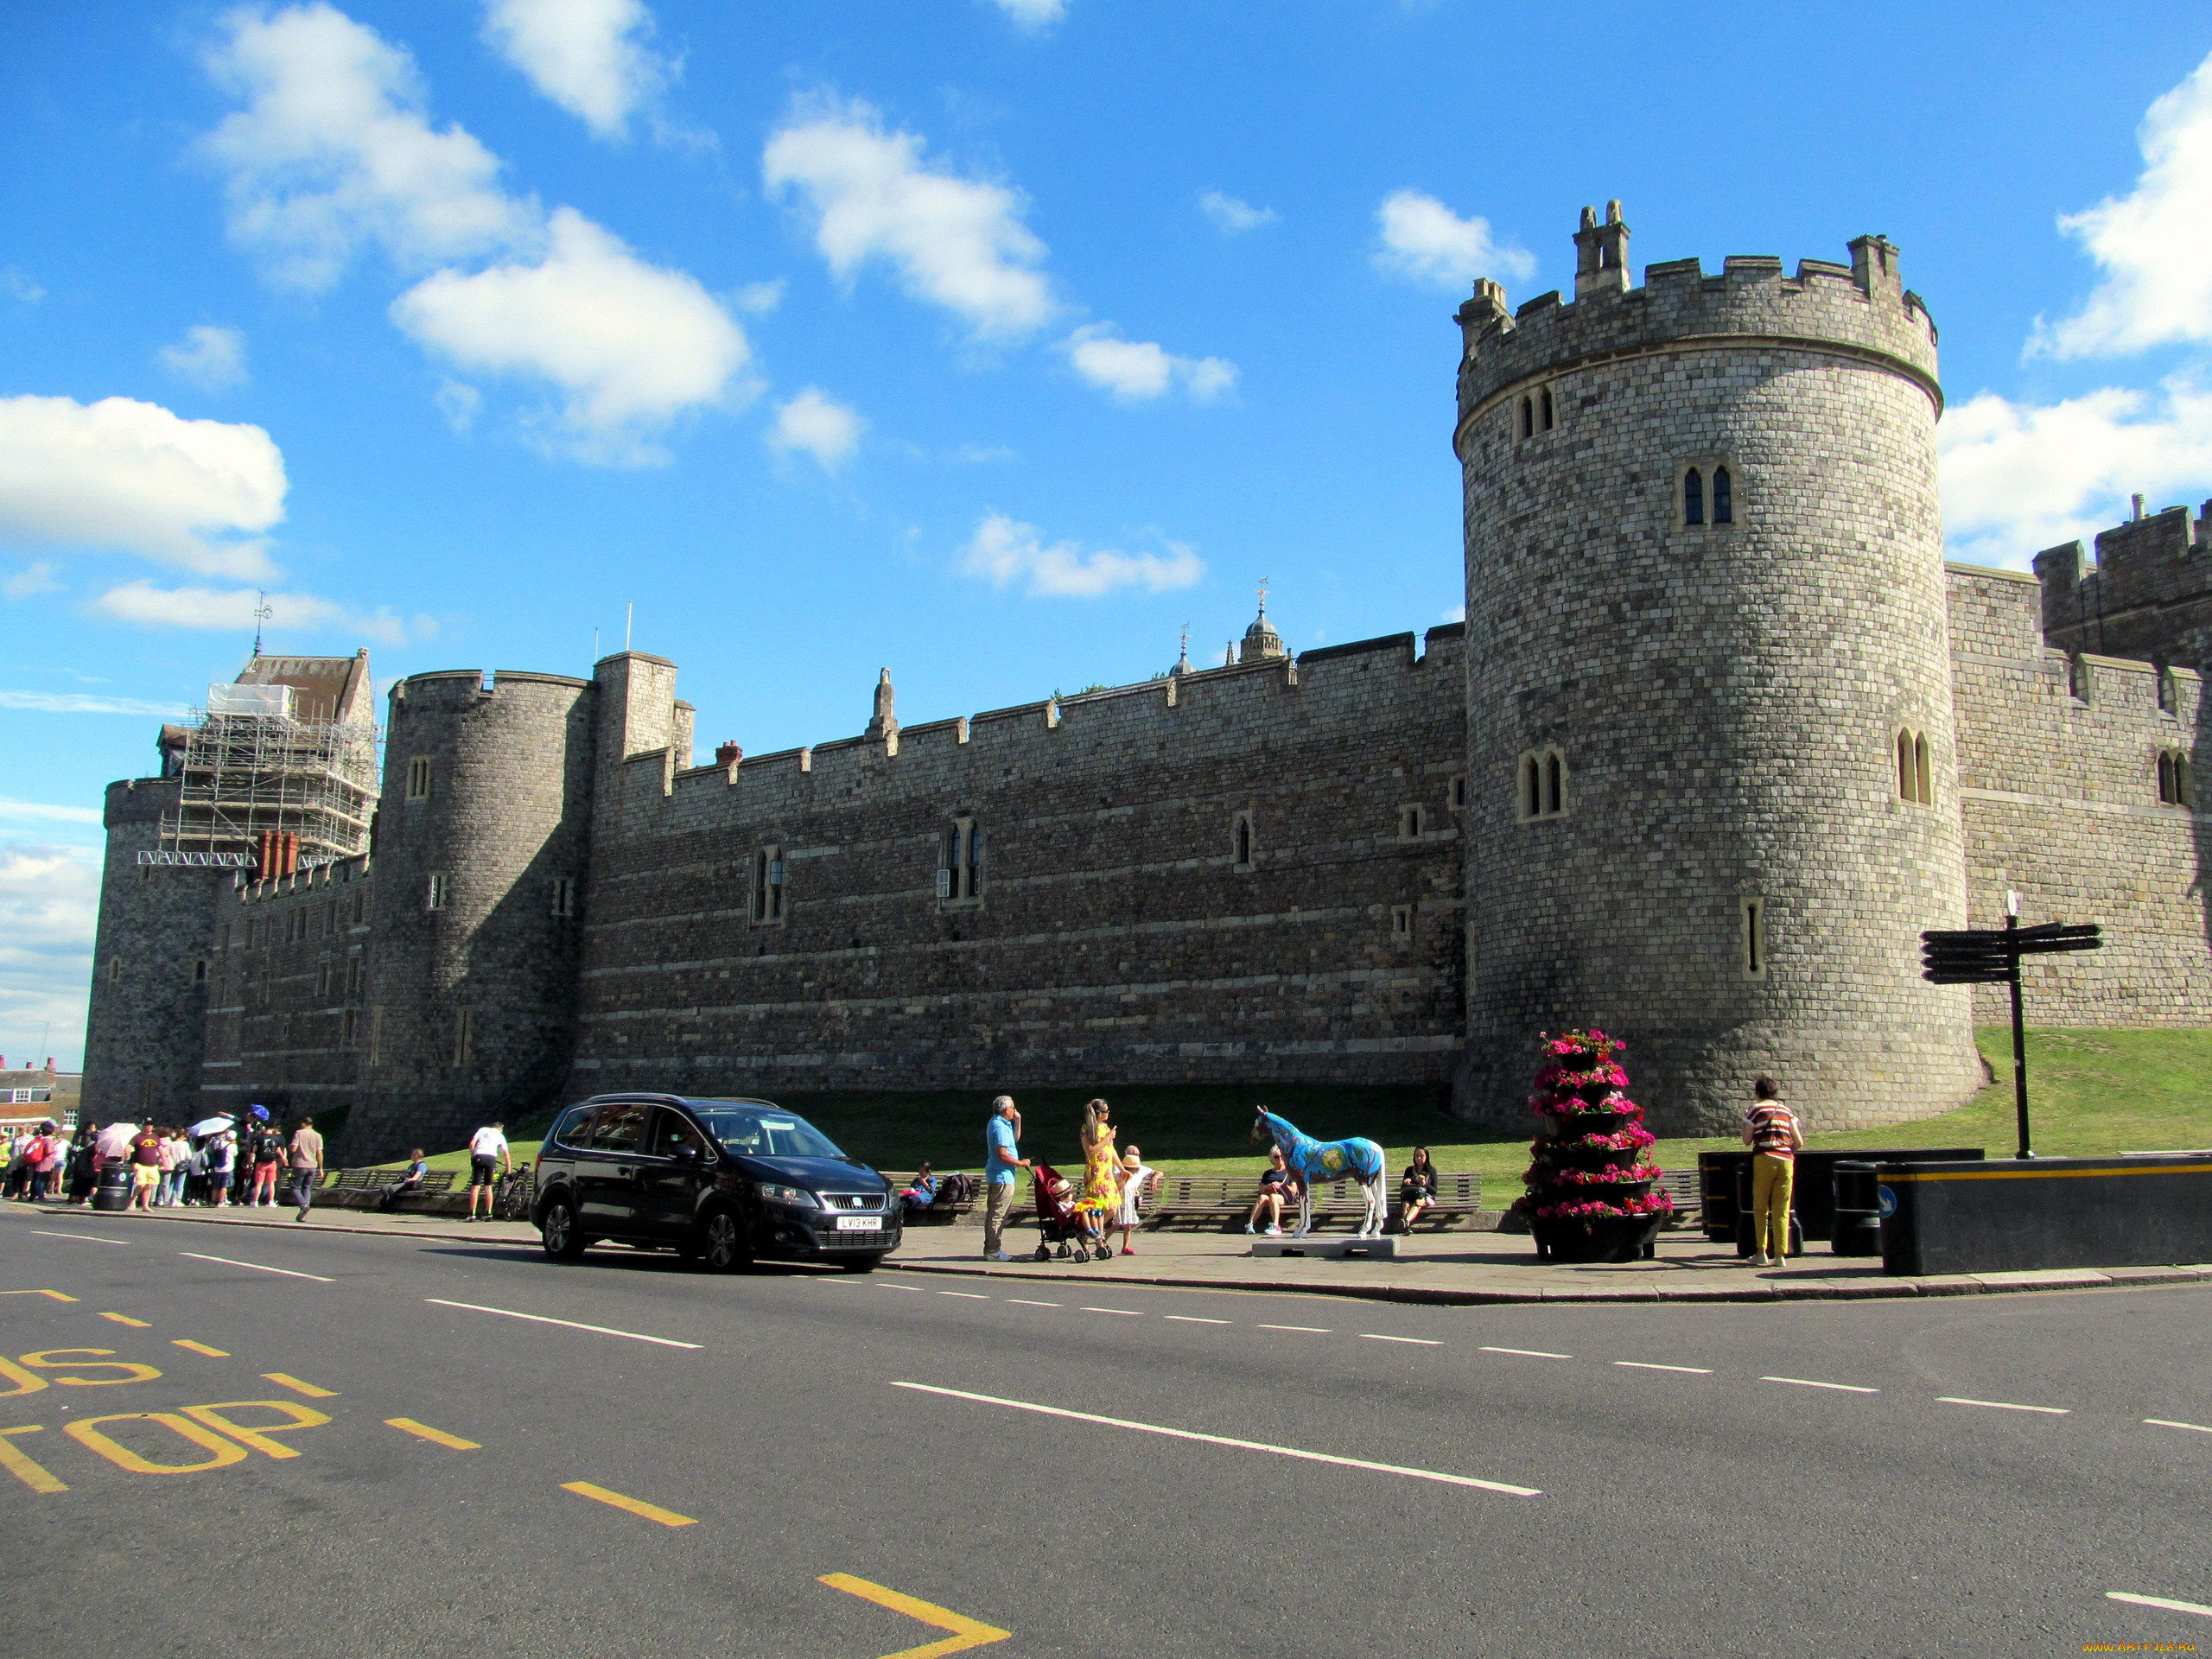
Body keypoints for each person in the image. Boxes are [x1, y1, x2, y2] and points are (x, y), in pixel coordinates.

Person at [1740, 1075, 1802, 1267]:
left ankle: (1761, 1252)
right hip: (1786, 1161)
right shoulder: (1786, 1111)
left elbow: (1747, 1140)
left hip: (1764, 1159)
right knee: (1782, 1209)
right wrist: (1784, 1150)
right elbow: (1799, 1142)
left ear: (1758, 1092)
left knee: (1760, 1207)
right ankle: (1780, 1255)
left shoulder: (1755, 1109)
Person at [981, 1096, 1030, 1262]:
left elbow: (1013, 1141)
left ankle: (991, 1247)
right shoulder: (999, 1127)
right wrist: (1021, 1163)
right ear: (1005, 1109)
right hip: (1002, 1176)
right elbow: (1002, 1154)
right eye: (1013, 1108)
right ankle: (993, 1250)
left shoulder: (1002, 1124)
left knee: (995, 1212)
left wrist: (1018, 1121)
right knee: (998, 1214)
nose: (1015, 1111)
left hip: (1000, 1175)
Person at [1075, 1099, 1119, 1259]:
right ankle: (1099, 1242)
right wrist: (1106, 1138)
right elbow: (1091, 1151)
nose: (1108, 1114)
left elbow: (1111, 1150)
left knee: (1112, 1208)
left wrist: (1121, 1168)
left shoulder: (1105, 1128)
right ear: (1099, 1114)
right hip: (1096, 1174)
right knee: (1097, 1209)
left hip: (1107, 1174)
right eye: (1106, 1111)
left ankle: (1090, 1234)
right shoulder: (1088, 1129)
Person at [1108, 1144, 1158, 1256]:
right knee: (1116, 1224)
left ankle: (1125, 1247)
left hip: (1130, 1203)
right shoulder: (1120, 1174)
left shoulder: (1135, 1173)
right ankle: (1102, 1243)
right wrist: (1124, 1179)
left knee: (1128, 1225)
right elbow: (1117, 1188)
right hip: (1120, 1203)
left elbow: (1133, 1188)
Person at [1243, 1145, 1302, 1236]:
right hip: (1268, 1196)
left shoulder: (1290, 1172)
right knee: (1262, 1197)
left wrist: (1281, 1186)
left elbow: (1294, 1190)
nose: (1280, 1158)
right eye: (1276, 1157)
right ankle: (1250, 1224)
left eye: (1281, 1156)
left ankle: (1276, 1226)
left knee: (1273, 1197)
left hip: (1284, 1197)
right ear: (1272, 1159)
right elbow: (1261, 1189)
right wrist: (1268, 1186)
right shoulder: (1268, 1173)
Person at [465, 1120, 512, 1221]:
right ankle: (488, 1213)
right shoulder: (500, 1136)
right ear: (501, 1128)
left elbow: (472, 1144)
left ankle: (472, 1214)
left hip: (479, 1156)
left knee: (475, 1187)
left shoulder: (482, 1130)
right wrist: (508, 1171)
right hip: (491, 1159)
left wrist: (473, 1156)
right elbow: (507, 1156)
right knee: (488, 1188)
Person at [289, 1115, 324, 1221]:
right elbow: (319, 1153)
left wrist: (290, 1146)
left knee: (294, 1187)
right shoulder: (318, 1135)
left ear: (303, 1124)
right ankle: (303, 1215)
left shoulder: (299, 1133)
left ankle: (303, 1205)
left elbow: (293, 1149)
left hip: (300, 1164)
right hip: (312, 1165)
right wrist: (320, 1168)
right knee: (307, 1188)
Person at [1398, 1146, 1439, 1233]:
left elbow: (1434, 1191)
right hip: (1410, 1194)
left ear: (1426, 1157)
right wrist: (1406, 1182)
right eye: (1417, 1156)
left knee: (1418, 1202)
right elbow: (1402, 1188)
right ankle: (1406, 1225)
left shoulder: (1431, 1170)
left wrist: (1425, 1184)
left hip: (1426, 1196)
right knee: (1406, 1202)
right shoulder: (1409, 1170)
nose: (1419, 1158)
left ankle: (1406, 1222)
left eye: (1421, 1156)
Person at [126, 1122, 164, 1211]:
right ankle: (132, 1200)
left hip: (152, 1165)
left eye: (151, 1125)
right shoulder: (138, 1137)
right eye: (147, 1125)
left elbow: (160, 1149)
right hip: (140, 1164)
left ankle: (145, 1205)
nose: (149, 1126)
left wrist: (164, 1161)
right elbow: (129, 1146)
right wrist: (127, 1152)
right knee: (141, 1184)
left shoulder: (155, 1137)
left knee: (149, 1185)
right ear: (143, 1126)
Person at [249, 1115, 284, 1207]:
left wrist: (250, 1160)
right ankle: (271, 1201)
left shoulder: (260, 1138)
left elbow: (254, 1150)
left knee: (259, 1183)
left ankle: (255, 1201)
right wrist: (284, 1158)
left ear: (265, 1129)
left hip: (261, 1162)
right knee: (271, 1183)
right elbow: (278, 1150)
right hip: (272, 1162)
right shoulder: (276, 1138)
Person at [379, 1148, 429, 1212]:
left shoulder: (422, 1165)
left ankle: (390, 1207)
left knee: (392, 1188)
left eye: (412, 1154)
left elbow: (418, 1174)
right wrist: (401, 1177)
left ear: (416, 1155)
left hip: (410, 1184)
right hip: (403, 1182)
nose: (411, 1156)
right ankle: (383, 1204)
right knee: (384, 1187)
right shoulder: (412, 1165)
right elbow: (407, 1174)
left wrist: (412, 1179)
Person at [205, 1128, 235, 1208]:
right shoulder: (233, 1146)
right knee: (224, 1186)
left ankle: (213, 1201)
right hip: (228, 1168)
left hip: (217, 1167)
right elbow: (235, 1154)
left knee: (216, 1186)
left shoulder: (218, 1143)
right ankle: (221, 1202)